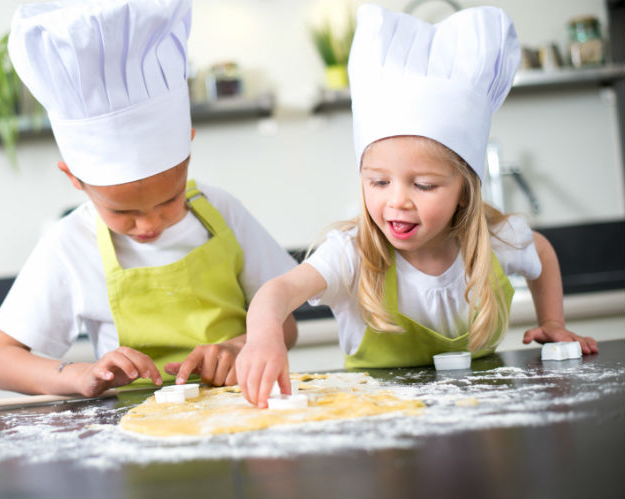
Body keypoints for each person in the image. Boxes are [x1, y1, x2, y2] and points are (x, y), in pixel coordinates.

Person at [236, 5, 598, 407]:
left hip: (484, 425)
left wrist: (552, 322)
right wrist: (265, 335)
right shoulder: (351, 254)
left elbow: (542, 252)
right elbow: (278, 291)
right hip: (383, 438)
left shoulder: (496, 242)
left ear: (464, 189)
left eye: (423, 185)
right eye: (378, 181)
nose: (397, 201)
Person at [0, 0, 297, 397]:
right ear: (75, 179)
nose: (150, 224)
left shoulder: (223, 212)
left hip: (243, 412)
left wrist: (242, 345)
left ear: (188, 150)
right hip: (134, 432)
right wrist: (79, 375)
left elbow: (286, 322)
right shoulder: (71, 244)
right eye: (123, 211)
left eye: (170, 200)